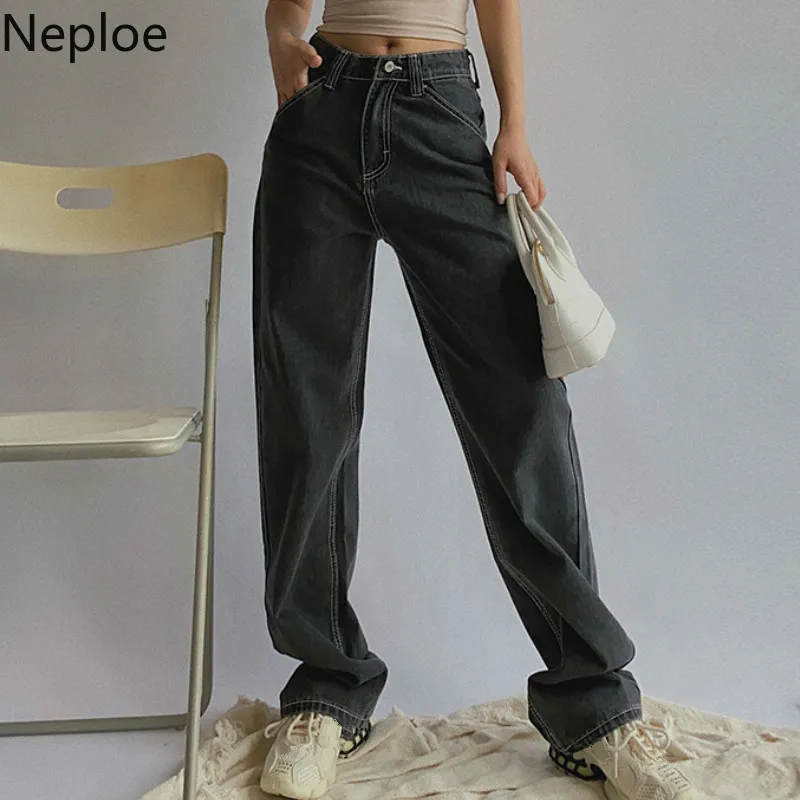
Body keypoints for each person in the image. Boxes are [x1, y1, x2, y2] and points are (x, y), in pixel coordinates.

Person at [252, 1, 695, 799]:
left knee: (521, 411)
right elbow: (288, 7)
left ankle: (591, 704)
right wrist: (283, 37)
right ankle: (325, 690)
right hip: (320, 115)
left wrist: (514, 121)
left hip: (439, 106)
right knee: (306, 417)